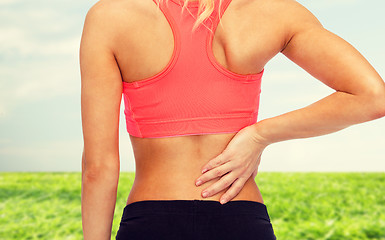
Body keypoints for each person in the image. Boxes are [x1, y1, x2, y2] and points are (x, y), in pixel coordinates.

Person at [79, 0, 385, 239]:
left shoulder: (110, 16)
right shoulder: (272, 12)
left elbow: (99, 167)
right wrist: (259, 135)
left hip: (152, 221)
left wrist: (258, 135)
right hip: (240, 218)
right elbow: (373, 96)